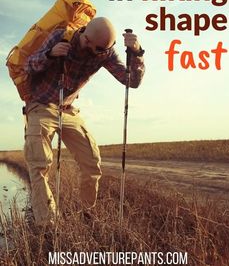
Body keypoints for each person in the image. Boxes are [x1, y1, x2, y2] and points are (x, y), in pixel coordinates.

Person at [23, 17, 145, 227]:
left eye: (102, 49)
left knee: (92, 162)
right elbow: (29, 66)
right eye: (94, 46)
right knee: (40, 163)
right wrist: (50, 55)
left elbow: (131, 81)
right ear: (85, 36)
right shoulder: (60, 36)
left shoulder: (104, 52)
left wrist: (137, 53)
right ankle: (48, 225)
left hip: (68, 110)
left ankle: (87, 215)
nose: (96, 51)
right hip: (40, 105)